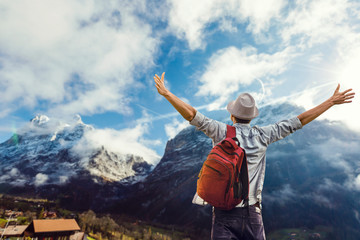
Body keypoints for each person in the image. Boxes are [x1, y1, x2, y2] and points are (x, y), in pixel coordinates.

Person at [154, 72, 355, 240]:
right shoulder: (264, 134)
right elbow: (300, 120)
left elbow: (192, 114)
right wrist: (330, 101)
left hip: (223, 213)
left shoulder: (220, 131)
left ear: (232, 116)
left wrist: (166, 94)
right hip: (252, 214)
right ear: (252, 117)